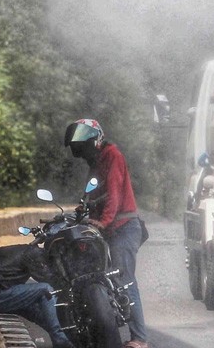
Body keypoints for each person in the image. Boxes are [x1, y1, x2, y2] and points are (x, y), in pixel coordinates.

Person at [65, 119, 149, 348]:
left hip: (124, 228)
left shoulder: (113, 156)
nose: (83, 155)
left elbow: (114, 194)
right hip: (109, 228)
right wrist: (83, 209)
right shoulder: (96, 162)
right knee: (101, 276)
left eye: (84, 148)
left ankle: (140, 338)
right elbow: (92, 192)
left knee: (125, 282)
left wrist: (101, 222)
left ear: (96, 141)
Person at [0, 244, 74, 348]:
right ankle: (60, 339)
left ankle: (66, 336)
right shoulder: (34, 255)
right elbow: (50, 280)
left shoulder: (18, 250)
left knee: (35, 309)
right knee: (45, 290)